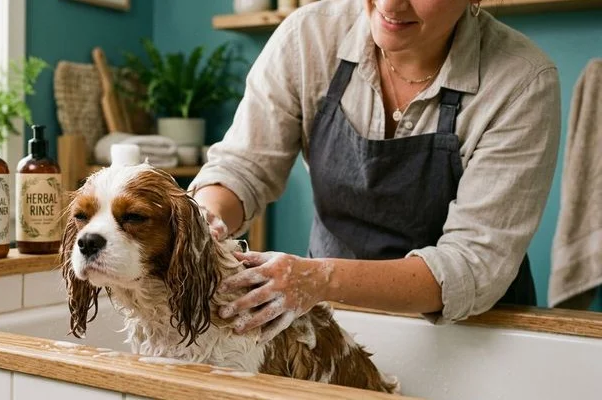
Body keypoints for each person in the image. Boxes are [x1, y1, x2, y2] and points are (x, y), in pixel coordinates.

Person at [188, 0, 561, 344]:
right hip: (329, 320)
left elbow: (470, 266)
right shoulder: (309, 37)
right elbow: (243, 166)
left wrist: (318, 279)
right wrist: (207, 216)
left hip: (470, 337)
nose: (390, 4)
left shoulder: (521, 81)